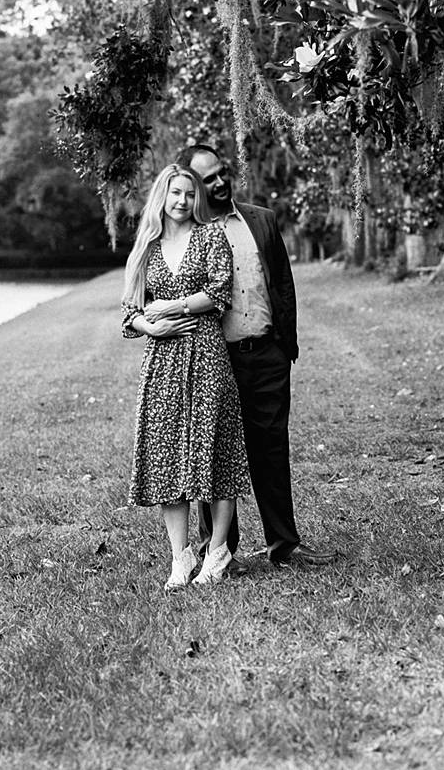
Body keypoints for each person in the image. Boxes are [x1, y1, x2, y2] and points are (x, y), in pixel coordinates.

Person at [179, 143, 335, 568]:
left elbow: (283, 285)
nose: (219, 182)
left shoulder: (261, 221)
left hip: (267, 354)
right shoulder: (187, 234)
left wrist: (286, 346)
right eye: (207, 178)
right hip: (216, 359)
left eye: (221, 172)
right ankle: (219, 552)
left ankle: (284, 545)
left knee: (271, 449)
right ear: (192, 184)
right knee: (214, 456)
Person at [122, 163, 252, 591]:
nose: (182, 201)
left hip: (208, 354)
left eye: (189, 194)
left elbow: (219, 293)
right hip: (161, 361)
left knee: (215, 450)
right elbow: (130, 313)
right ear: (162, 195)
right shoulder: (147, 245)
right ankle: (180, 557)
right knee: (164, 458)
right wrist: (150, 326)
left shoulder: (211, 235)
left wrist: (170, 307)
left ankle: (217, 551)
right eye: (175, 193)